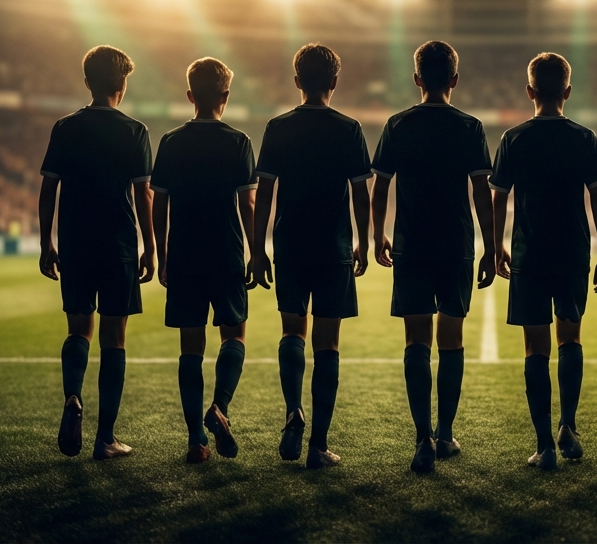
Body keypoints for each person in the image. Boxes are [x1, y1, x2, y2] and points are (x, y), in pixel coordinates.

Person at [370, 41, 496, 474]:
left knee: (416, 341)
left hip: (412, 243)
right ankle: (444, 433)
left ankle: (422, 438)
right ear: (455, 79)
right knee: (452, 339)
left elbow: (381, 185)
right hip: (456, 244)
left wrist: (377, 235)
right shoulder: (470, 127)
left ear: (417, 78)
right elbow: (481, 190)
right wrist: (492, 244)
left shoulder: (397, 125)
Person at [489, 52, 597, 471]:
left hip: (530, 251)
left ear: (529, 91)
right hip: (573, 251)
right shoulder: (583, 138)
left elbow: (499, 196)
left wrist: (494, 245)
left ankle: (543, 445)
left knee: (535, 349)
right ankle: (568, 427)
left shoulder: (514, 138)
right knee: (570, 339)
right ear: (568, 91)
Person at [252, 43, 373, 469]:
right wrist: (365, 241)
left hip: (289, 245)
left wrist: (257, 248)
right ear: (334, 83)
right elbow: (361, 191)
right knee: (328, 344)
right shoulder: (349, 128)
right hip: (333, 246)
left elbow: (264, 193)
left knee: (292, 333)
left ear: (297, 80)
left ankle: (293, 410)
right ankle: (318, 445)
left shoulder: (277, 127)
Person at [37, 44, 155, 461]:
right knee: (114, 339)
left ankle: (73, 396)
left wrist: (45, 241)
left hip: (75, 242)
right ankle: (105, 438)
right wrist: (150, 246)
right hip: (119, 243)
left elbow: (48, 187)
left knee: (78, 330)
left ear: (86, 82)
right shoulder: (134, 131)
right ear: (123, 84)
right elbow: (143, 195)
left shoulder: (65, 127)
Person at [150, 58, 257, 464]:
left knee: (190, 349)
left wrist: (160, 252)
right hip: (226, 251)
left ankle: (196, 440)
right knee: (234, 336)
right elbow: (248, 204)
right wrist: (256, 250)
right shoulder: (238, 141)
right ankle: (220, 407)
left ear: (190, 95)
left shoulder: (171, 142)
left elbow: (159, 202)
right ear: (225, 97)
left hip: (184, 253)